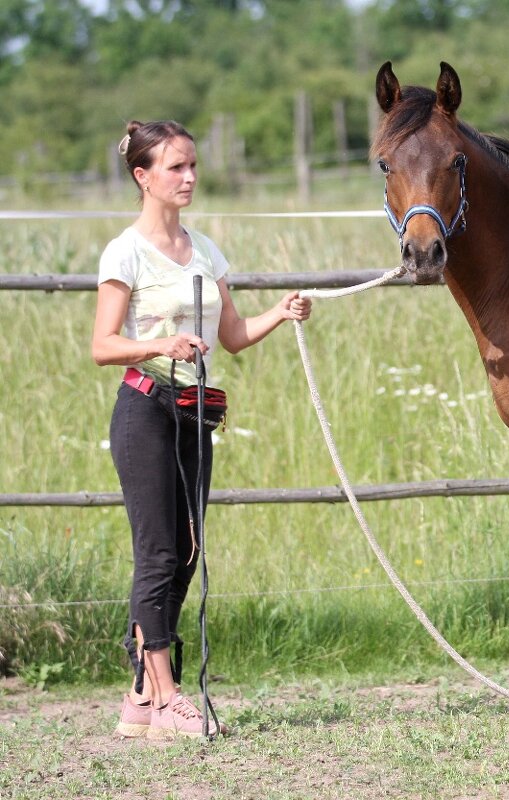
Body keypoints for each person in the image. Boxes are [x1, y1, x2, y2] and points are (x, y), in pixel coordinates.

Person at [92, 120, 312, 739]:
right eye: (175, 168)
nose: (188, 178)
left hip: (195, 413)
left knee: (186, 552)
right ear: (143, 177)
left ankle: (140, 694)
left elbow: (233, 337)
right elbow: (102, 345)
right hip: (145, 408)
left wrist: (282, 310)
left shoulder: (207, 250)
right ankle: (167, 699)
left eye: (192, 167)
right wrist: (164, 341)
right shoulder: (125, 252)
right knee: (158, 552)